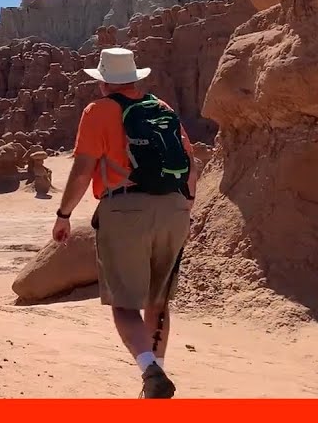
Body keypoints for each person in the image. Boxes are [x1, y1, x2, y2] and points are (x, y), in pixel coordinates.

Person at [50, 47, 198, 399]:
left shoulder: (98, 110)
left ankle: (150, 370)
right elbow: (191, 164)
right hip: (175, 208)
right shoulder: (162, 108)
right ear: (134, 78)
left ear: (104, 82)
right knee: (159, 301)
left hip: (126, 209)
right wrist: (185, 207)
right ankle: (157, 377)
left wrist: (64, 214)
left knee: (125, 303)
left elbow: (83, 168)